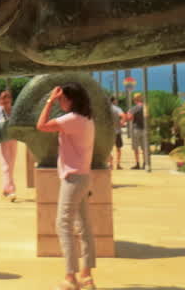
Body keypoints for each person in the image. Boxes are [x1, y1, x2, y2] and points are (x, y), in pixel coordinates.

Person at [37, 84, 96, 290]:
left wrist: (49, 101)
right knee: (85, 226)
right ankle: (86, 275)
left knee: (63, 225)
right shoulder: (87, 119)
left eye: (63, 99)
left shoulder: (71, 119)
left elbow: (41, 125)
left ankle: (71, 277)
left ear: (72, 100)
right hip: (83, 177)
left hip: (72, 179)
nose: (60, 102)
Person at [126, 92, 147, 169]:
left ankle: (137, 164)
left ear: (135, 99)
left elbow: (129, 117)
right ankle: (145, 163)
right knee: (144, 148)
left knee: (135, 148)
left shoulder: (134, 108)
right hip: (144, 129)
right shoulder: (145, 107)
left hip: (136, 129)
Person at [108, 96, 126, 170]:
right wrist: (121, 123)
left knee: (108, 149)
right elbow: (123, 116)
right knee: (118, 148)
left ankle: (110, 163)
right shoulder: (117, 109)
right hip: (117, 131)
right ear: (114, 101)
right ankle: (118, 164)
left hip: (108, 132)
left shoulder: (105, 109)